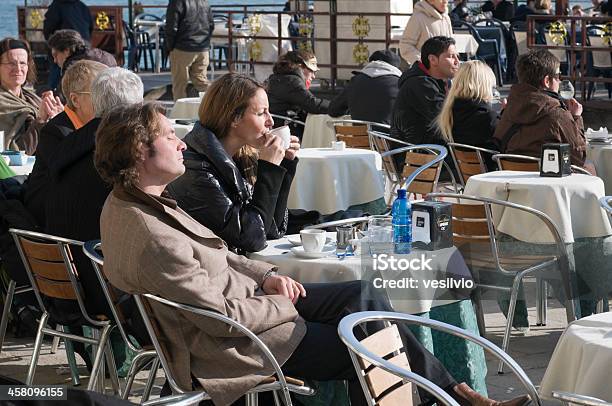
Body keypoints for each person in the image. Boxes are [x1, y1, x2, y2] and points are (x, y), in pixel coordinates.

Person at [95, 101, 531, 406]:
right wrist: (278, 301)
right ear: (139, 150)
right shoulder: (151, 234)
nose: (183, 143)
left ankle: (455, 394)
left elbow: (222, 252)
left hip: (247, 308)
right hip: (237, 345)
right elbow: (217, 317)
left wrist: (265, 275)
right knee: (374, 347)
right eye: (171, 136)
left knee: (361, 294)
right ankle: (455, 396)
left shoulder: (135, 200)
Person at [44, 67, 143, 318]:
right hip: (107, 289)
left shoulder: (69, 144)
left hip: (67, 285)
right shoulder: (120, 156)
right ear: (135, 109)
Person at [167, 73, 300, 253]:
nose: (271, 121)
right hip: (218, 274)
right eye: (261, 113)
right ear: (234, 118)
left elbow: (273, 229)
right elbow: (252, 238)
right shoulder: (197, 168)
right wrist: (269, 170)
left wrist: (284, 164)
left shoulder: (241, 156)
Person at [24, 60, 107, 227]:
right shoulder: (56, 132)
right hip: (51, 222)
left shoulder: (96, 127)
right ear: (76, 100)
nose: (107, 100)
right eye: (100, 94)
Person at [492, 50, 595, 174]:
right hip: (547, 182)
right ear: (547, 81)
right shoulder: (557, 113)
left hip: (511, 179)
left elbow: (498, 142)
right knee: (590, 167)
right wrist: (576, 118)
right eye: (558, 76)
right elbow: (578, 158)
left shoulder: (509, 108)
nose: (560, 81)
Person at [391, 36, 460, 167]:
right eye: (451, 56)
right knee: (483, 161)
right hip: (417, 159)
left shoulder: (432, 82)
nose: (457, 61)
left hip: (425, 153)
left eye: (457, 56)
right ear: (432, 59)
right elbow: (447, 119)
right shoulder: (420, 84)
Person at [0, 38, 63, 154]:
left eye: (23, 63)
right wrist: (40, 121)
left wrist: (59, 117)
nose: (18, 69)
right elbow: (16, 153)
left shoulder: (33, 99)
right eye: (11, 63)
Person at [435, 60, 500, 170]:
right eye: (492, 86)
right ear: (483, 85)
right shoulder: (487, 117)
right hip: (488, 176)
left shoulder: (450, 112)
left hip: (463, 175)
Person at [266, 50, 330, 139]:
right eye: (311, 71)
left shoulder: (280, 77)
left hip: (277, 126)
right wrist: (337, 105)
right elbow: (312, 104)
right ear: (300, 67)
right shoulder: (291, 81)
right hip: (285, 129)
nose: (313, 76)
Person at [328, 49, 402, 126]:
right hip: (388, 137)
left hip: (359, 137)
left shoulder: (355, 81)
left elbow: (333, 111)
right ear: (396, 67)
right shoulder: (399, 83)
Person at [165, 0, 215, 100]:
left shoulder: (176, 2)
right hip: (202, 48)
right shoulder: (204, 2)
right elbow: (211, 25)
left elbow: (171, 27)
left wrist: (169, 47)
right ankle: (214, 102)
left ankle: (180, 113)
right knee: (201, 82)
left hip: (183, 48)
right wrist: (205, 43)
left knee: (179, 85)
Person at [43, 0, 93, 92]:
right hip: (85, 45)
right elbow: (90, 27)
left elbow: (48, 26)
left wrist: (50, 40)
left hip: (64, 44)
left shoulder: (57, 5)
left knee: (56, 63)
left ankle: (52, 92)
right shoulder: (82, 6)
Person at [47, 30, 116, 84]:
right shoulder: (106, 55)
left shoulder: (72, 66)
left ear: (66, 51)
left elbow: (66, 97)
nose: (55, 60)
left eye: (55, 55)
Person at [399, 0, 453, 65]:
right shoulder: (418, 17)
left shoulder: (446, 18)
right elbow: (405, 45)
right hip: (423, 72)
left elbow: (451, 45)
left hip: (444, 70)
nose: (445, 1)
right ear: (430, 0)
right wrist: (423, 62)